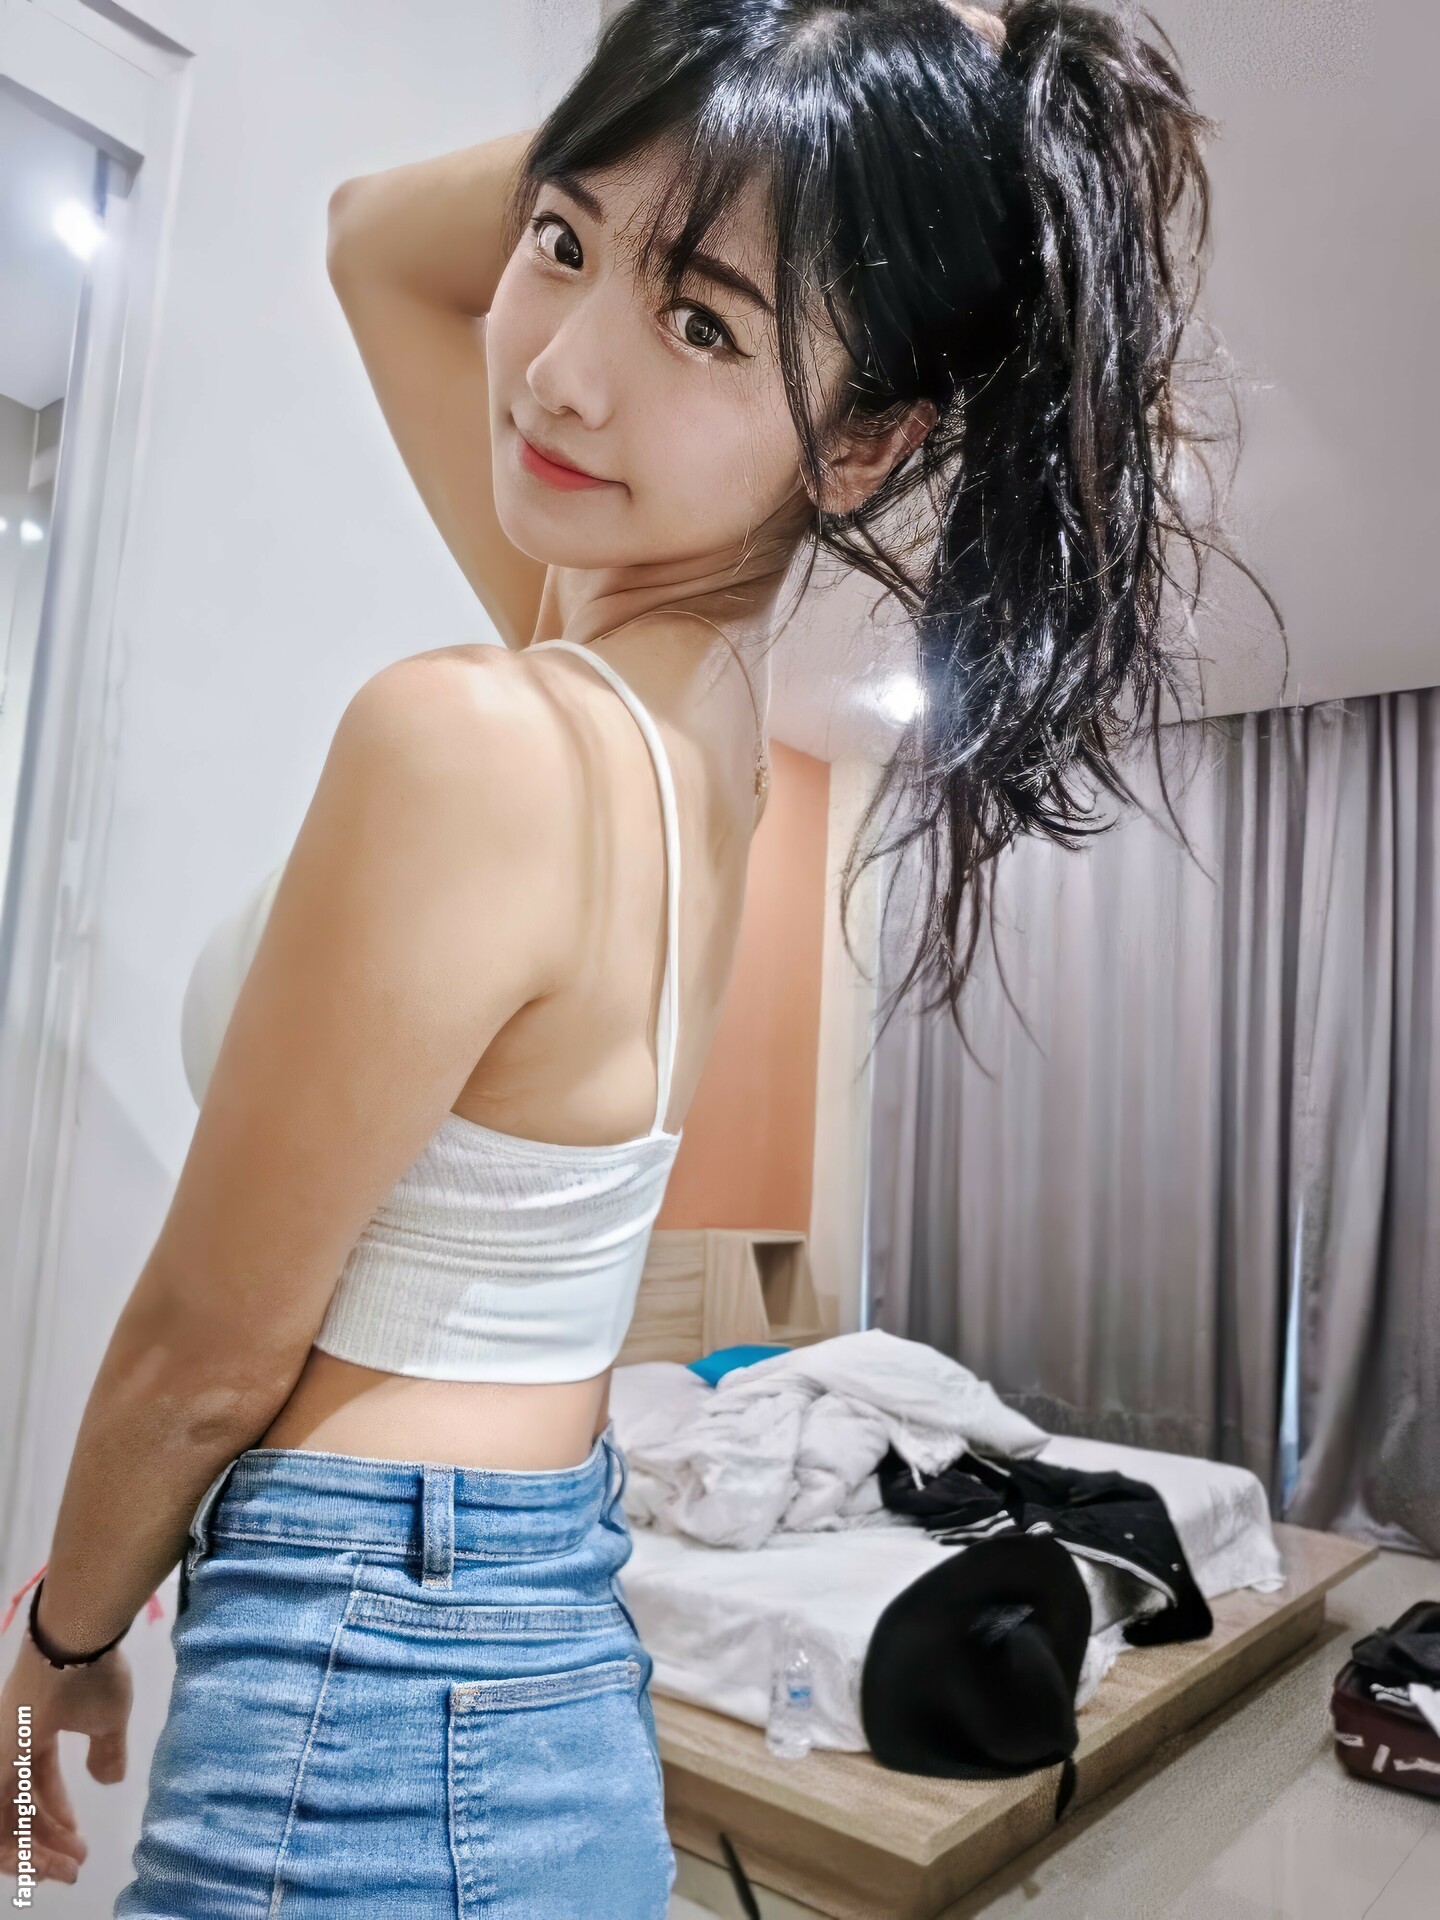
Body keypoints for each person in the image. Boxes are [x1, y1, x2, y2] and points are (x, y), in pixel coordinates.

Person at [0, 1, 1233, 1911]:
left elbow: (200, 1353)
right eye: (562, 242)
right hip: (533, 1649)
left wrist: (62, 1640)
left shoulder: (494, 740)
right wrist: (754, 88)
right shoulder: (681, 735)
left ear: (866, 439)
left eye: (706, 325)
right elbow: (371, 240)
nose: (562, 373)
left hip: (370, 1662)